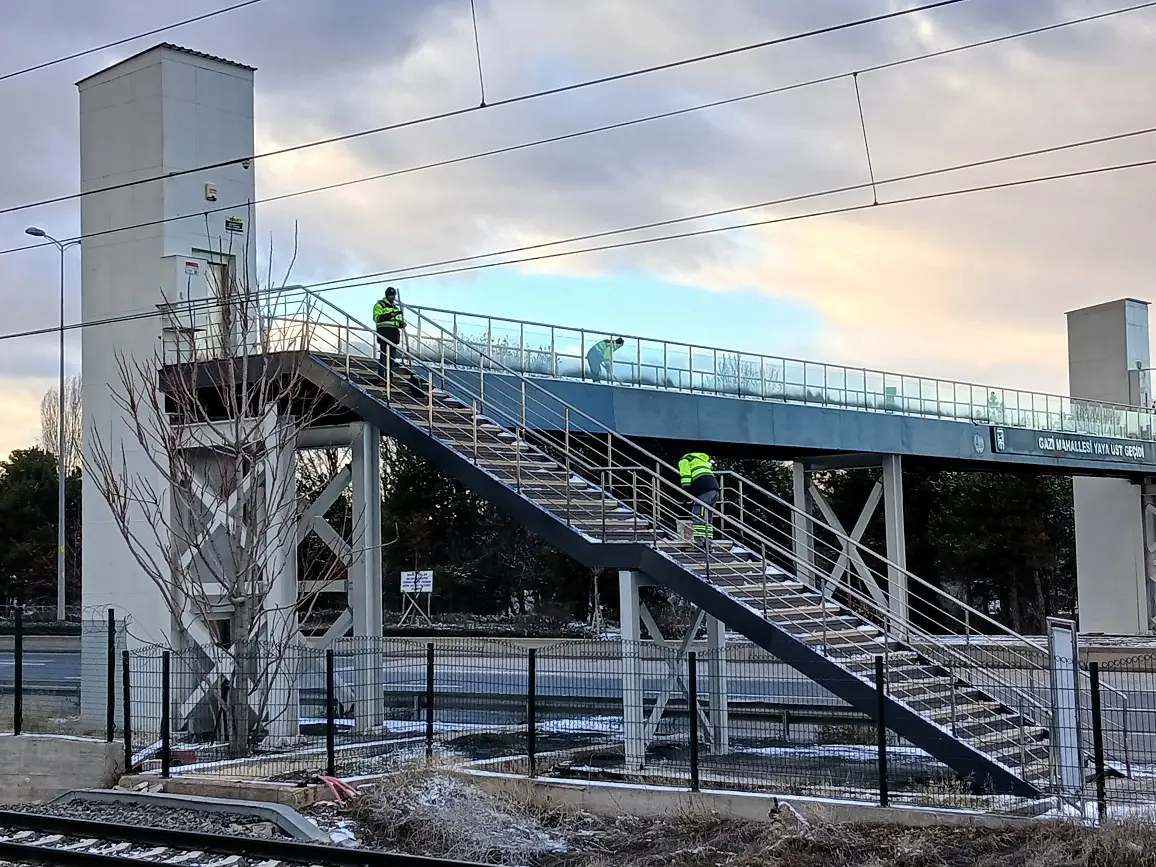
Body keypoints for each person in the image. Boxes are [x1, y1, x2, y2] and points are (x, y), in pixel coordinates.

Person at [679, 450, 718, 547]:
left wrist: (685, 493)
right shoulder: (701, 460)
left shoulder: (684, 461)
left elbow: (686, 477)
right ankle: (708, 543)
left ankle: (700, 543)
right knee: (708, 518)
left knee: (698, 515)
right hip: (715, 489)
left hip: (703, 490)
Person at [373, 286, 406, 380]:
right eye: (391, 295)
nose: (392, 297)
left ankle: (389, 379)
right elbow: (377, 318)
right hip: (384, 332)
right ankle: (381, 378)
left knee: (391, 358)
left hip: (394, 334)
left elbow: (397, 321)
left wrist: (401, 324)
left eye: (393, 295)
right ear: (387, 295)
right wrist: (390, 315)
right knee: (384, 356)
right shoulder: (379, 305)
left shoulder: (395, 308)